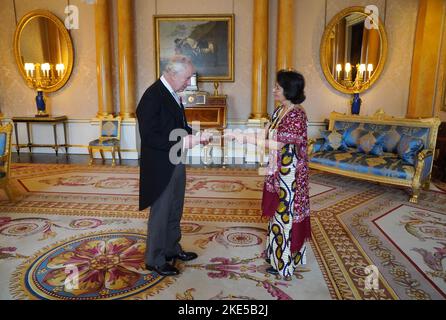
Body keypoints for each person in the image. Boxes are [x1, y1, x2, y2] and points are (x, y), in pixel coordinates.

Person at [226, 70, 310, 280]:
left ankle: (284, 264)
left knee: (285, 216)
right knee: (277, 214)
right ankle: (275, 255)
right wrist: (239, 134)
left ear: (289, 90)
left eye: (278, 88)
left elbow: (277, 143)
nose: (274, 90)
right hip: (276, 169)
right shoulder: (279, 111)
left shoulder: (297, 115)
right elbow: (265, 134)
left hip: (289, 174)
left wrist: (245, 140)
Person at [136, 55, 210, 276]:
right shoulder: (152, 96)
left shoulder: (172, 93)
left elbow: (178, 126)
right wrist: (182, 140)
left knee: (175, 207)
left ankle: (171, 248)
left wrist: (195, 135)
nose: (189, 82)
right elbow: (149, 137)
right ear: (173, 73)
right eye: (187, 78)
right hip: (160, 165)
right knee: (161, 212)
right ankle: (155, 259)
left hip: (174, 160)